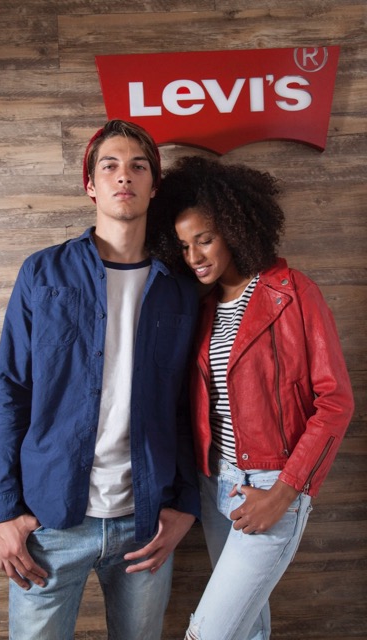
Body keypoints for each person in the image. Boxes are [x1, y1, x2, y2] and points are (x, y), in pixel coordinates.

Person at [0, 120, 201, 640]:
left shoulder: (180, 289)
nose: (124, 176)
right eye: (110, 166)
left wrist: (185, 506)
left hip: (146, 521)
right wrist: (4, 513)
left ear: (154, 185)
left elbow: (188, 404)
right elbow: (10, 392)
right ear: (91, 184)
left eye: (138, 166)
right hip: (50, 522)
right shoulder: (43, 273)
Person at [147, 155, 354, 640]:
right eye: (184, 246)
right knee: (246, 630)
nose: (194, 256)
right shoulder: (201, 308)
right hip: (214, 483)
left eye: (205, 239)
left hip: (271, 484)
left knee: (210, 634)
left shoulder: (292, 292)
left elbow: (335, 402)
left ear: (235, 229)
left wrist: (284, 492)